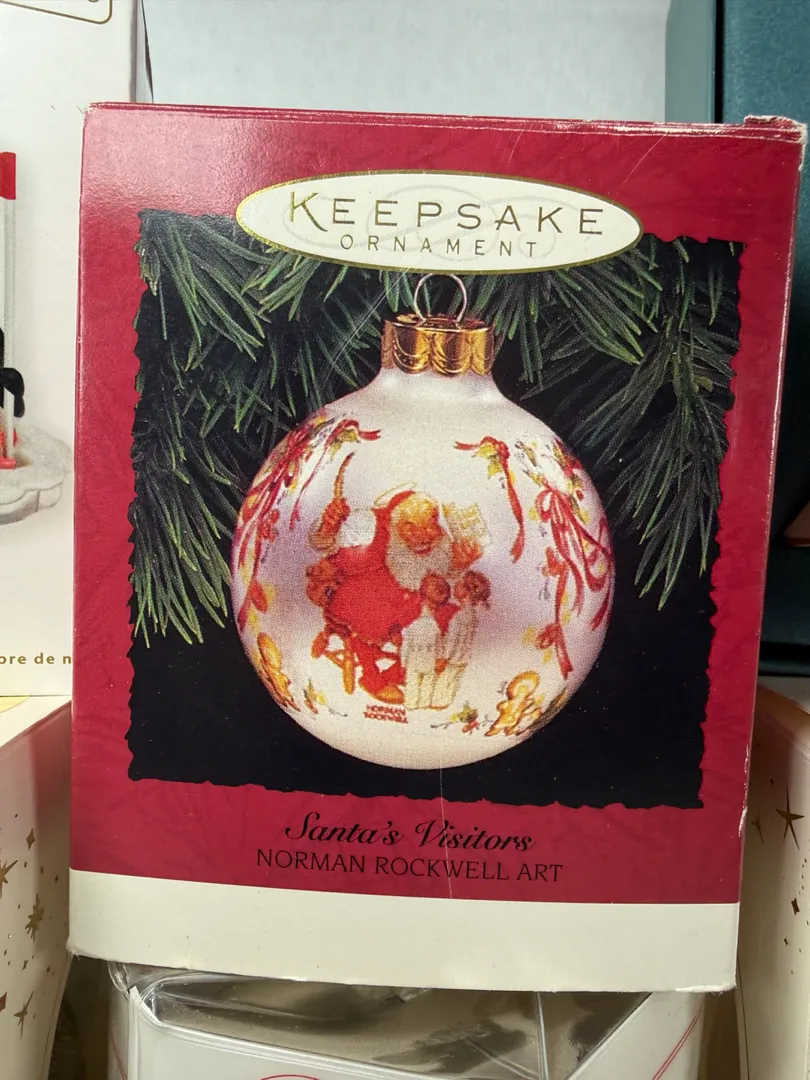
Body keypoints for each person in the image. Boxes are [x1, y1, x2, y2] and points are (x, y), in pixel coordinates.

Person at [432, 570, 491, 709]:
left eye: (459, 584)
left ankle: (438, 704)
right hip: (462, 659)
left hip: (452, 659)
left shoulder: (460, 616)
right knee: (451, 683)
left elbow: (453, 640)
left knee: (443, 684)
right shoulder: (471, 615)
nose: (454, 586)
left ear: (466, 592)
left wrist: (444, 658)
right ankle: (443, 704)